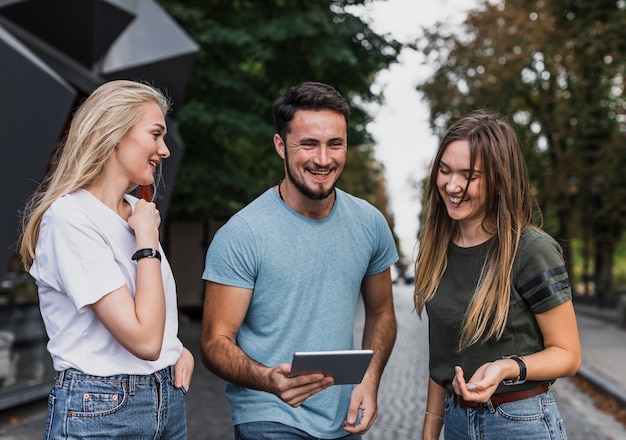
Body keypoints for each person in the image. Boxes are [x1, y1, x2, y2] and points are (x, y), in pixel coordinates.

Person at [200, 81, 398, 439]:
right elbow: (215, 342)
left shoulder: (369, 224)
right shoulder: (243, 233)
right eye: (308, 144)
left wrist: (369, 382)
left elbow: (382, 312)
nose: (323, 159)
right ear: (281, 146)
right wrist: (268, 379)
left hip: (342, 419)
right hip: (268, 414)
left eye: (334, 144)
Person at [18, 79, 194, 439]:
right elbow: (143, 340)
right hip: (103, 409)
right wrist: (147, 244)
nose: (164, 150)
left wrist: (176, 349)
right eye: (155, 134)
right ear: (114, 133)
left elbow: (154, 326)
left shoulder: (135, 211)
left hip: (166, 399)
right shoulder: (70, 218)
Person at [413, 110, 581, 439]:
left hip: (521, 421)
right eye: (444, 171)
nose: (452, 185)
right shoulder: (437, 251)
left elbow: (569, 354)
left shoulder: (531, 250)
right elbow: (443, 360)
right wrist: (430, 430)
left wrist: (507, 367)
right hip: (456, 422)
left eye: (469, 175)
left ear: (498, 179)